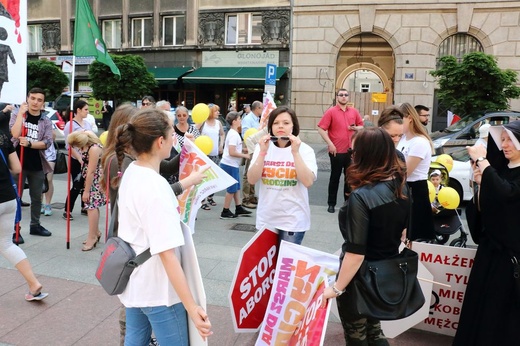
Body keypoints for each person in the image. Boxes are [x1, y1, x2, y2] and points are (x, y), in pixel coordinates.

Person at [101, 103, 207, 346]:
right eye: (172, 134)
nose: (174, 138)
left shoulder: (133, 171)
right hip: (159, 290)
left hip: (137, 282)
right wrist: (192, 307)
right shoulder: (154, 185)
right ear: (160, 141)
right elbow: (166, 254)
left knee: (135, 340)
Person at [322, 128, 409, 346]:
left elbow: (355, 253)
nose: (351, 154)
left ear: (365, 154)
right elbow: (404, 232)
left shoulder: (362, 197)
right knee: (375, 331)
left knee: (357, 337)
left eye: (354, 150)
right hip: (384, 273)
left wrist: (336, 288)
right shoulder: (400, 185)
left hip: (359, 279)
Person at [453, 121, 520, 345]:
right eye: (502, 139)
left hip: (510, 258)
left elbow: (508, 196)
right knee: (479, 308)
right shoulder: (500, 171)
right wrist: (481, 184)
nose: (505, 144)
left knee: (499, 315)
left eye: (510, 139)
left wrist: (483, 161)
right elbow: (483, 211)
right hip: (489, 252)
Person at [247, 106, 317, 245]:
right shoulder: (262, 148)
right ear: (270, 126)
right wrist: (262, 153)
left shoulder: (305, 150)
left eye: (286, 123)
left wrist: (295, 153)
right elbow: (252, 179)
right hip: (267, 218)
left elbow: (308, 182)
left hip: (293, 220)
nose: (280, 126)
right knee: (267, 266)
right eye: (276, 123)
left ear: (293, 126)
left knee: (285, 266)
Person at [0, 128, 48, 301]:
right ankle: (34, 284)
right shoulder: (3, 136)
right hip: (8, 197)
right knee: (6, 244)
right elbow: (17, 168)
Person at [9, 87, 53, 243]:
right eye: (33, 98)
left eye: (39, 100)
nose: (35, 102)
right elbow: (14, 134)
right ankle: (15, 229)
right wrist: (21, 114)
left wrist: (30, 144)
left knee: (36, 197)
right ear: (27, 98)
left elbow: (47, 142)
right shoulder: (17, 114)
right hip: (17, 163)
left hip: (37, 164)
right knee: (16, 198)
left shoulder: (46, 120)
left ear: (43, 103)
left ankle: (35, 225)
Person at [318, 88, 363, 213]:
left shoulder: (354, 111)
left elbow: (361, 126)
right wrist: (330, 144)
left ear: (348, 97)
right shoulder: (331, 112)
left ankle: (347, 204)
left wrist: (356, 128)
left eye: (346, 95)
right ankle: (331, 204)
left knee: (349, 179)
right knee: (334, 178)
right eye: (341, 95)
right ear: (337, 97)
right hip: (336, 151)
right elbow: (321, 129)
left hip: (351, 151)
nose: (343, 97)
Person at [398, 102, 435, 241]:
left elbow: (405, 171)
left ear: (409, 118)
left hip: (415, 190)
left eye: (400, 119)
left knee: (413, 236)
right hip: (404, 188)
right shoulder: (403, 139)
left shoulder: (419, 142)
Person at [67, 131, 106, 251]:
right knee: (93, 206)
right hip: (92, 180)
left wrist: (86, 191)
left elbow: (91, 171)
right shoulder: (91, 145)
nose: (78, 148)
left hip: (94, 181)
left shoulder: (94, 149)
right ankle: (95, 232)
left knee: (91, 207)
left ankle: (92, 236)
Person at [63, 100, 93, 220]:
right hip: (76, 158)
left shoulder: (87, 124)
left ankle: (84, 206)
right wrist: (79, 157)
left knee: (87, 183)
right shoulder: (70, 125)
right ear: (78, 110)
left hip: (88, 157)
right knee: (77, 183)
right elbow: (68, 146)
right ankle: (67, 209)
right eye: (85, 109)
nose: (87, 112)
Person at [219, 112, 252, 219]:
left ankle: (238, 207)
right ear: (234, 122)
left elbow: (232, 148)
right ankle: (225, 211)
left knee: (236, 187)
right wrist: (245, 155)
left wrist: (243, 149)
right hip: (230, 164)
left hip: (231, 164)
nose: (240, 121)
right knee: (232, 189)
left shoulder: (233, 133)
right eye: (239, 119)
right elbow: (232, 152)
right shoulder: (234, 134)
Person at [198, 103, 224, 211]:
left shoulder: (218, 123)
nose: (218, 112)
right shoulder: (203, 123)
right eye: (216, 111)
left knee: (214, 177)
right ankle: (202, 200)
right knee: (204, 178)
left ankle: (210, 197)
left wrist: (221, 144)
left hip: (215, 154)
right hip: (205, 154)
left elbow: (222, 134)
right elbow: (194, 133)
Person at [241, 100, 262, 209]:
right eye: (261, 108)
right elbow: (245, 133)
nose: (262, 110)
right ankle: (245, 198)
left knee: (254, 171)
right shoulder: (248, 119)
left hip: (256, 147)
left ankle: (252, 195)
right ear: (257, 108)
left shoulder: (257, 119)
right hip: (250, 147)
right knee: (248, 173)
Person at [41, 137, 57, 216]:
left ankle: (48, 204)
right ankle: (39, 203)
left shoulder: (49, 124)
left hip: (49, 155)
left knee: (48, 179)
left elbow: (53, 137)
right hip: (37, 154)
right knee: (39, 179)